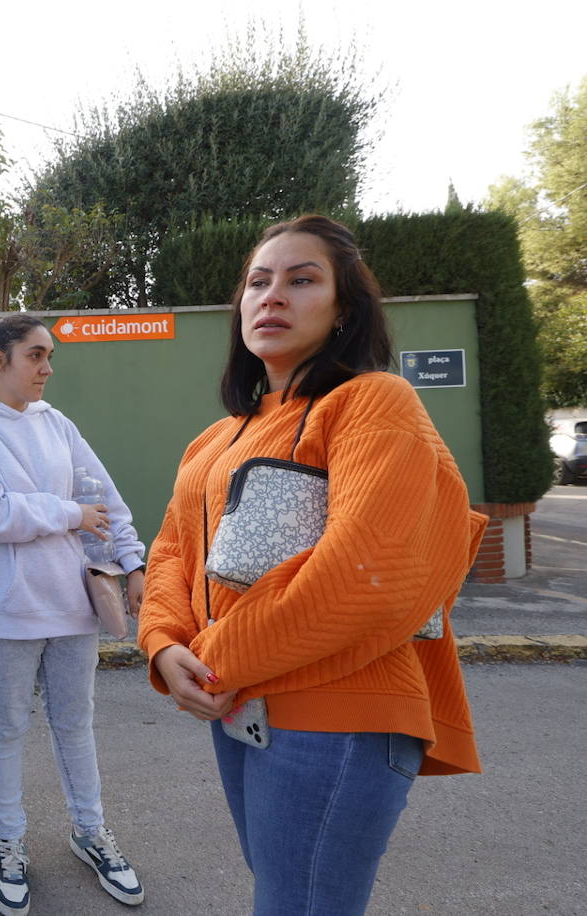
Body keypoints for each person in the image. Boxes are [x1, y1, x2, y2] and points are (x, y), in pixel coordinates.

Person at [137, 214, 486, 915]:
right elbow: (174, 550)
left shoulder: (372, 401)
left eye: (302, 281)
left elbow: (367, 573)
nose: (273, 296)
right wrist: (163, 645)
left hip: (340, 714)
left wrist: (211, 663)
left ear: (343, 309)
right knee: (283, 893)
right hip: (238, 704)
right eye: (259, 282)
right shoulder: (218, 436)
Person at [0, 314, 148, 916]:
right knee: (4, 729)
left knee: (75, 724)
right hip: (1, 611)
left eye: (50, 356)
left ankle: (91, 832)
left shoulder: (57, 424)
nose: (48, 368)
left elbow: (103, 495)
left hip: (72, 607)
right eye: (36, 355)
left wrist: (132, 563)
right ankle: (9, 844)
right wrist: (69, 514)